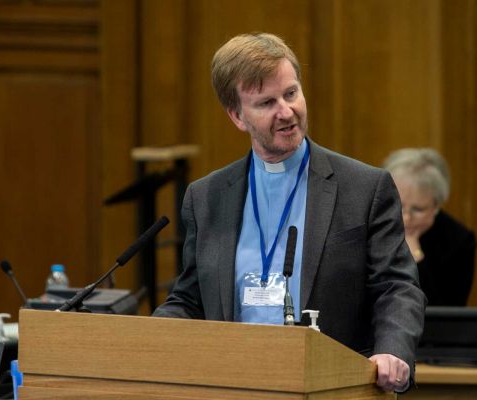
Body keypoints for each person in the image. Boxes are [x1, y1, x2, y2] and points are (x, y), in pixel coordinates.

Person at [153, 32, 425, 393]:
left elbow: (397, 286)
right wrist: (149, 338)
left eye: (291, 93)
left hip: (332, 387)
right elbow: (190, 299)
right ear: (237, 116)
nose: (286, 112)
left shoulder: (364, 188)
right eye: (266, 103)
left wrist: (393, 351)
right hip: (229, 386)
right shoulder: (207, 197)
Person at [383, 148, 477, 306]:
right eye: (398, 204)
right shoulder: (371, 224)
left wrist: (416, 256)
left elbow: (448, 313)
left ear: (437, 206)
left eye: (418, 209)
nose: (406, 218)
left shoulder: (459, 241)